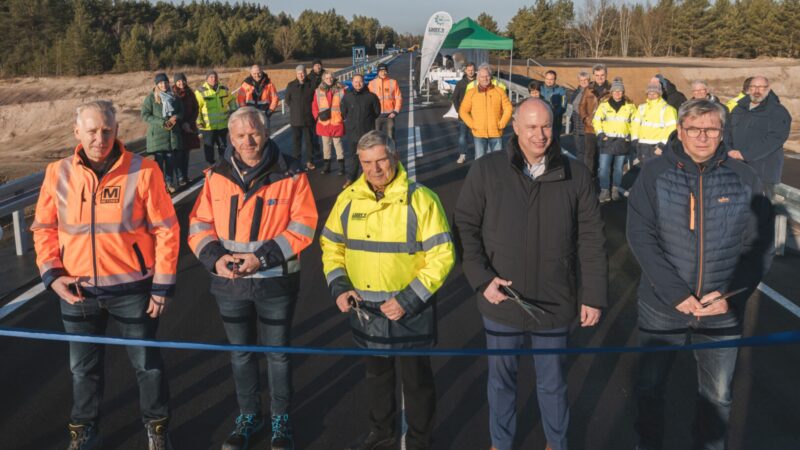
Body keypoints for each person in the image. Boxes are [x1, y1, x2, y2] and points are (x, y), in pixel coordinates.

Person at [455, 98, 607, 450]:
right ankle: (500, 442)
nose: (540, 135)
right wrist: (481, 278)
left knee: (552, 382)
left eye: (546, 127)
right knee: (501, 380)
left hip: (554, 302)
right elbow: (465, 226)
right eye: (531, 127)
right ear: (516, 128)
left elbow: (592, 240)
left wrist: (594, 296)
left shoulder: (577, 176)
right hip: (501, 301)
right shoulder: (487, 170)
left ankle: (556, 442)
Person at [627, 99, 774, 450]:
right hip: (663, 306)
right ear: (680, 131)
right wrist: (676, 293)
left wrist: (729, 295)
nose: (703, 137)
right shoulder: (654, 173)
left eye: (711, 129)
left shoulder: (744, 177)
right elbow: (640, 236)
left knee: (718, 396)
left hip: (720, 311)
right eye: (694, 129)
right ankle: (648, 444)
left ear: (722, 132)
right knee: (649, 388)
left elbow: (759, 244)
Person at [31, 100, 179, 450]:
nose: (100, 138)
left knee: (148, 366)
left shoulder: (143, 170)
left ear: (117, 131)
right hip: (78, 292)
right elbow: (43, 228)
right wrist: (52, 275)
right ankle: (83, 431)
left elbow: (167, 230)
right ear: (77, 132)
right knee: (83, 371)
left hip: (133, 292)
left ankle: (157, 428)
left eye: (107, 131)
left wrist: (162, 287)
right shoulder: (58, 172)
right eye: (93, 131)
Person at [187, 107, 318, 450]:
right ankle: (248, 415)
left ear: (267, 131)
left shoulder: (292, 172)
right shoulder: (215, 175)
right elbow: (200, 224)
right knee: (241, 354)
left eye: (254, 133)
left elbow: (303, 226)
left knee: (277, 354)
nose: (248, 141)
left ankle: (280, 419)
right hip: (229, 283)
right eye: (240, 135)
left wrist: (260, 258)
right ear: (230, 138)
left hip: (275, 281)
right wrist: (216, 260)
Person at [320, 130, 455, 450]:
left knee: (417, 381)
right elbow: (331, 246)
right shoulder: (347, 199)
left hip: (410, 308)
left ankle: (421, 439)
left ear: (394, 157)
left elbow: (443, 255)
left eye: (381, 160)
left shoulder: (422, 199)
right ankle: (381, 434)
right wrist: (339, 286)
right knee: (377, 377)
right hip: (366, 309)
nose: (375, 169)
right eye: (367, 162)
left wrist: (407, 299)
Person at [726, 76, 792, 199]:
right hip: (736, 169)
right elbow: (726, 131)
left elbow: (775, 139)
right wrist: (728, 150)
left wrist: (745, 155)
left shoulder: (778, 111)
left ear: (768, 89)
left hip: (762, 173)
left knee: (759, 213)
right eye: (753, 87)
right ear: (748, 89)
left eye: (761, 87)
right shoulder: (738, 108)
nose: (757, 91)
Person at [593, 78, 638, 202]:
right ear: (611, 92)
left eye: (620, 91)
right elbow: (596, 120)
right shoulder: (603, 105)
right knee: (603, 168)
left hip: (622, 142)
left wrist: (632, 137)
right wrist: (601, 134)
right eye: (615, 91)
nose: (617, 93)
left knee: (618, 169)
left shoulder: (630, 107)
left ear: (623, 93)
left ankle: (615, 189)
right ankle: (604, 190)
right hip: (607, 141)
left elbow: (635, 123)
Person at [459, 63, 513, 160]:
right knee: (480, 160)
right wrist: (473, 124)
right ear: (478, 78)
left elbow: (508, 108)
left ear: (491, 76)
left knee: (497, 160)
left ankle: (495, 175)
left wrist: (502, 123)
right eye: (482, 76)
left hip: (496, 132)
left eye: (487, 76)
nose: (485, 78)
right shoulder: (471, 93)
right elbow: (463, 111)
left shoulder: (499, 91)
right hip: (479, 134)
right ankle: (481, 176)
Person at [141, 72, 183, 192]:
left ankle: (169, 183)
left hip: (171, 136)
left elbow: (181, 111)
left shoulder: (174, 96)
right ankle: (160, 185)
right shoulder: (151, 98)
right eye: (161, 83)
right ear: (157, 85)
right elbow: (145, 115)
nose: (163, 84)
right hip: (157, 137)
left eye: (165, 82)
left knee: (170, 161)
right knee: (158, 164)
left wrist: (176, 117)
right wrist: (161, 122)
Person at [341, 73, 381, 188]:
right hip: (352, 132)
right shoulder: (347, 97)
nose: (358, 84)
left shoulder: (371, 97)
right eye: (356, 82)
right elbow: (344, 112)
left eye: (360, 82)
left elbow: (376, 112)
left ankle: (366, 180)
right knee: (353, 157)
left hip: (367, 133)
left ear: (364, 83)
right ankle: (350, 179)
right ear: (352, 83)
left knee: (367, 158)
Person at [632, 82, 677, 164]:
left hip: (656, 147)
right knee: (642, 173)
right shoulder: (641, 108)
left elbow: (672, 130)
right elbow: (635, 125)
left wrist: (662, 146)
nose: (651, 96)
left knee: (656, 173)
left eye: (654, 93)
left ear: (659, 94)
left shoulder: (668, 109)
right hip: (641, 146)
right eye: (649, 93)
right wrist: (634, 140)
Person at [579, 63, 611, 178]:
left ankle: (603, 179)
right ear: (593, 75)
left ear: (606, 75)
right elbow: (581, 105)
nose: (600, 78)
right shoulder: (588, 89)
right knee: (589, 155)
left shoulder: (611, 90)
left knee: (603, 155)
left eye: (602, 75)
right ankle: (588, 178)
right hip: (590, 128)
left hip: (605, 129)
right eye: (597, 75)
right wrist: (585, 118)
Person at [196, 70, 234, 165]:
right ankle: (211, 165)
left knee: (223, 147)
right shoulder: (200, 91)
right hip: (207, 127)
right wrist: (199, 120)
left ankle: (224, 165)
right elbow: (196, 108)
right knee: (209, 148)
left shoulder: (224, 89)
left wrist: (234, 112)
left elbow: (232, 100)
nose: (214, 79)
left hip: (222, 125)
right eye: (211, 77)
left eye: (215, 77)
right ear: (207, 79)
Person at [312, 72, 346, 175]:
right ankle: (327, 167)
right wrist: (317, 116)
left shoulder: (341, 90)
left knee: (338, 145)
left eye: (331, 77)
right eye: (327, 78)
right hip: (324, 123)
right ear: (323, 79)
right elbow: (314, 105)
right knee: (326, 146)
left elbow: (346, 104)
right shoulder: (318, 91)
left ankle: (341, 168)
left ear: (334, 78)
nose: (329, 79)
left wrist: (343, 116)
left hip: (336, 122)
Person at [285, 64, 317, 170]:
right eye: (299, 73)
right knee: (296, 142)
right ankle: (297, 162)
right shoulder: (291, 85)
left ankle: (310, 161)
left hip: (308, 119)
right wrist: (296, 109)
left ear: (306, 73)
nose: (301, 75)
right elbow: (287, 100)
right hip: (296, 119)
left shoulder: (312, 85)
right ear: (296, 74)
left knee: (309, 141)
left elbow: (316, 100)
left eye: (303, 73)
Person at [173, 72, 199, 186]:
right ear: (175, 82)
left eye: (183, 80)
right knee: (178, 154)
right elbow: (172, 112)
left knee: (186, 154)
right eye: (178, 81)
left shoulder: (190, 93)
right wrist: (181, 123)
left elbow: (196, 108)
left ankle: (185, 175)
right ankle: (180, 178)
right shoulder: (173, 94)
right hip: (178, 128)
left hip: (189, 127)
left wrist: (189, 123)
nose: (181, 83)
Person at [368, 63, 403, 139]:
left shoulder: (393, 82)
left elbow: (398, 97)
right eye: (381, 71)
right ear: (378, 72)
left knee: (391, 137)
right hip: (377, 116)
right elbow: (368, 100)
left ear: (387, 71)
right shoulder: (371, 83)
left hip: (390, 115)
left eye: (385, 71)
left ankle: (392, 151)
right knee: (376, 138)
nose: (383, 73)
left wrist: (395, 111)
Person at [453, 62, 477, 164]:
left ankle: (479, 156)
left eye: (472, 70)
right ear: (465, 71)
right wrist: (459, 111)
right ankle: (462, 155)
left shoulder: (479, 82)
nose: (470, 72)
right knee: (463, 136)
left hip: (477, 114)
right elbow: (455, 98)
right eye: (468, 70)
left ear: (474, 70)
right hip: (464, 115)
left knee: (478, 136)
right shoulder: (461, 83)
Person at [570, 71, 590, 163]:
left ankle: (589, 173)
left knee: (588, 153)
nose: (583, 82)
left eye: (585, 80)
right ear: (578, 81)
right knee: (579, 152)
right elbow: (573, 107)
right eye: (581, 80)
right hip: (577, 128)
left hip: (588, 127)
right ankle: (581, 173)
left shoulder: (592, 92)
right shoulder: (576, 92)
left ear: (589, 80)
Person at [541, 70, 567, 137]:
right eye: (547, 79)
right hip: (541, 121)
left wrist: (552, 115)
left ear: (555, 79)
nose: (549, 81)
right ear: (544, 78)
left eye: (551, 79)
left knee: (555, 141)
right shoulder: (540, 89)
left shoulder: (561, 91)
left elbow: (563, 107)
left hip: (555, 122)